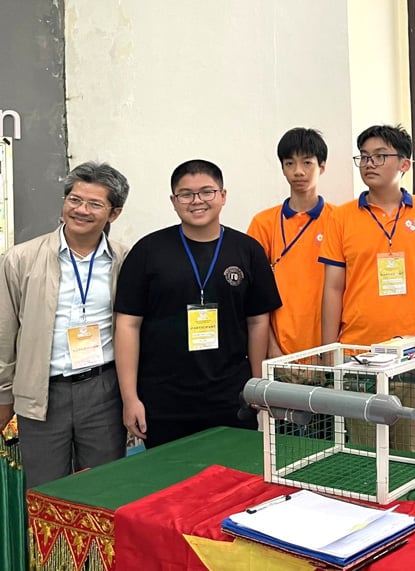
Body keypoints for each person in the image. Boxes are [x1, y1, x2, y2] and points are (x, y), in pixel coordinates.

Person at [114, 159, 281, 448]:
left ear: (223, 195)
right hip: (164, 400)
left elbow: (258, 322)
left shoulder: (248, 250)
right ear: (173, 200)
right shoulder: (148, 251)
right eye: (186, 194)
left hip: (231, 396)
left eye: (207, 191)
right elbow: (128, 324)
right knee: (169, 484)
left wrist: (257, 385)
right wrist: (130, 398)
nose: (197, 201)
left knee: (233, 482)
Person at [0, 162, 130, 487]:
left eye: (94, 204)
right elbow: (4, 335)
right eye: (74, 199)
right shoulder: (20, 259)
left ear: (113, 213)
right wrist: (4, 397)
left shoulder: (124, 261)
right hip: (42, 392)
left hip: (104, 389)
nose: (80, 210)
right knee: (45, 493)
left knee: (104, 490)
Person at [320, 125, 415, 454]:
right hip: (359, 354)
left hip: (414, 353)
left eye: (380, 156)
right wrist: (328, 349)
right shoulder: (341, 217)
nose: (369, 163)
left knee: (410, 451)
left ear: (404, 164)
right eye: (364, 157)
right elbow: (332, 287)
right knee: (364, 451)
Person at [248, 127, 335, 357]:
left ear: (322, 167)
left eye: (307, 163)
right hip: (278, 352)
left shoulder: (339, 220)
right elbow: (252, 296)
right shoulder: (263, 223)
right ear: (283, 168)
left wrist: (330, 354)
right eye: (289, 163)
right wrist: (274, 352)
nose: (298, 172)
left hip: (331, 353)